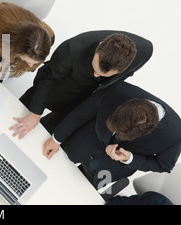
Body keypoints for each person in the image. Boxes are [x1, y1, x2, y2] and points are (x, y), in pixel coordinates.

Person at [9, 30, 153, 138]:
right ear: (100, 46)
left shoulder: (145, 50)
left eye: (103, 75)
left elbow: (128, 73)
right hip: (58, 86)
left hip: (81, 99)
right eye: (96, 69)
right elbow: (49, 79)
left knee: (45, 134)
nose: (96, 75)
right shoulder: (73, 48)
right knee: (17, 119)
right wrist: (35, 114)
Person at [42, 81, 181, 189]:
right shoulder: (118, 90)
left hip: (110, 171)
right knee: (47, 171)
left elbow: (164, 166)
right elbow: (81, 113)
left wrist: (130, 159)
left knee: (74, 191)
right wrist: (56, 139)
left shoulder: (176, 135)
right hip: (84, 142)